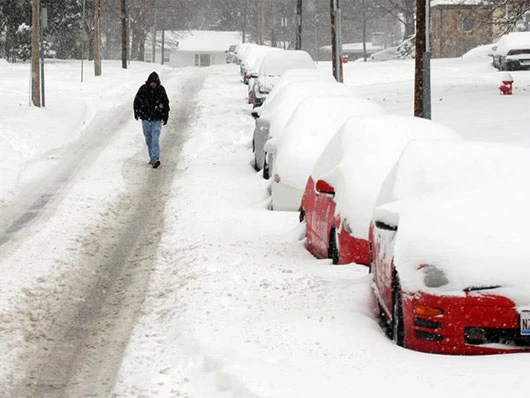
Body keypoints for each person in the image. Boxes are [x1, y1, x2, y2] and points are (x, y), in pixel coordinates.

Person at [133, 71, 170, 169]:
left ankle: (155, 158)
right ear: (149, 82)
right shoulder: (143, 89)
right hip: (145, 119)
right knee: (148, 139)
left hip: (156, 119)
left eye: (155, 82)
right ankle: (152, 157)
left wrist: (165, 115)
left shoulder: (161, 90)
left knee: (155, 139)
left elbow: (166, 104)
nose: (153, 84)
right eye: (152, 82)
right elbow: (136, 101)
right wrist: (137, 113)